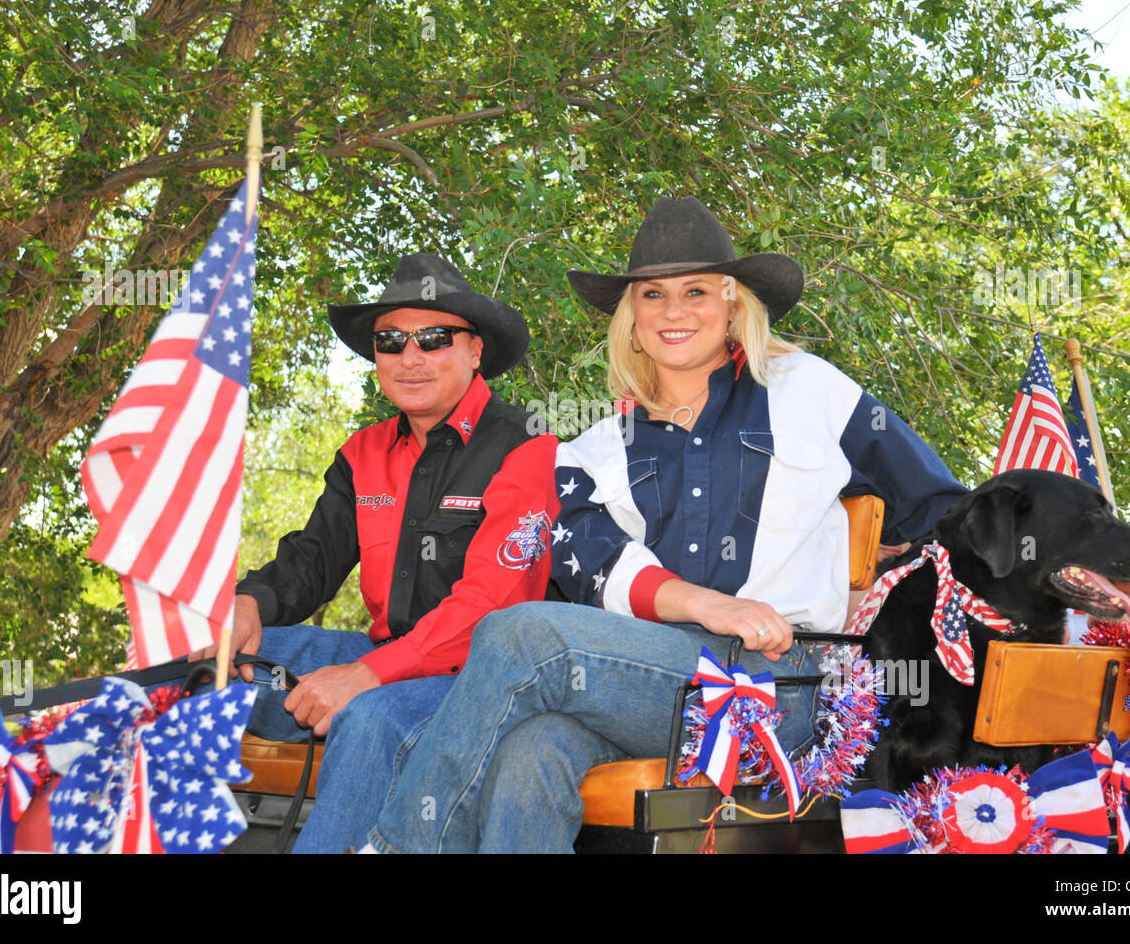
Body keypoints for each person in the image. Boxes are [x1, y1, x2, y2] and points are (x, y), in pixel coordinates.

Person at [363, 196, 968, 853]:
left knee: (518, 634)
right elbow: (593, 568)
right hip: (646, 681)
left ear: (734, 303)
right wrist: (711, 604)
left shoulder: (812, 390)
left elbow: (941, 510)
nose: (674, 311)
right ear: (632, 316)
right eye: (653, 294)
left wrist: (877, 590)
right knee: (531, 753)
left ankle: (397, 847)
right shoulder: (592, 450)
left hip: (775, 683)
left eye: (696, 290)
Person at [201, 253, 558, 852]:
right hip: (383, 654)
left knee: (369, 717)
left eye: (434, 337)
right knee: (194, 667)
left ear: (476, 350)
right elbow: (311, 560)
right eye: (390, 341)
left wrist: (366, 677)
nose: (409, 357)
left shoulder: (529, 446)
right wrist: (248, 602)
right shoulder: (362, 452)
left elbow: (489, 608)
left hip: (484, 681)